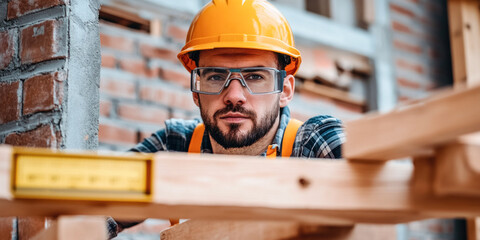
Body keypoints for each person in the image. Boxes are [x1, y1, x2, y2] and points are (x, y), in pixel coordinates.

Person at [107, 0, 345, 238]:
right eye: (215, 76)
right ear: (195, 92)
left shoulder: (315, 144)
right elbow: (90, 211)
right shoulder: (176, 146)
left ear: (284, 90)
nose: (233, 96)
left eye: (254, 76)